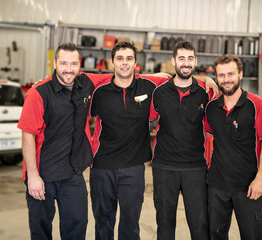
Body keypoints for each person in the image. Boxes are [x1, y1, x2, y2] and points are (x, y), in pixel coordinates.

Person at [89, 41, 218, 240]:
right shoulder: (101, 92)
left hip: (144, 168)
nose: (125, 63)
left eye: (129, 58)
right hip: (108, 167)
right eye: (120, 59)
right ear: (112, 62)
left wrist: (204, 78)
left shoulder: (154, 87)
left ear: (136, 62)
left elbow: (181, 76)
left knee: (132, 225)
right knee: (105, 223)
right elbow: (84, 80)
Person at [17, 42, 111, 240]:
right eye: (64, 63)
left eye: (74, 64)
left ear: (80, 65)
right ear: (54, 64)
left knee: (77, 227)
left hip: (72, 174)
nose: (69, 69)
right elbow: (27, 135)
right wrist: (33, 176)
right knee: (41, 231)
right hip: (43, 175)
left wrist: (160, 80)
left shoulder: (86, 82)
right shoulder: (38, 93)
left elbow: (120, 75)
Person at [205, 54, 262, 240]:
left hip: (248, 186)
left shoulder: (257, 104)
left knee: (252, 235)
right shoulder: (211, 108)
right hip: (217, 185)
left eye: (230, 74)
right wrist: (204, 79)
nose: (226, 79)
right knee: (215, 235)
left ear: (240, 74)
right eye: (221, 75)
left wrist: (260, 179)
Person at [149, 41, 211, 240]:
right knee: (165, 227)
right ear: (173, 61)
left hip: (196, 168)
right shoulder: (158, 93)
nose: (186, 63)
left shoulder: (205, 93)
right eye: (181, 58)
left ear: (196, 61)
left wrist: (209, 80)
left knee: (200, 226)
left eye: (190, 59)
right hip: (164, 168)